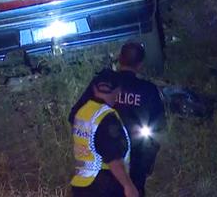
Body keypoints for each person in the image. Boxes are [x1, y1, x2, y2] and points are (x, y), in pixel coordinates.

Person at [69, 69, 139, 197]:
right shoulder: (106, 117)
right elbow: (113, 159)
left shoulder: (82, 111)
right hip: (105, 185)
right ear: (117, 91)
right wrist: (128, 186)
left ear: (94, 89)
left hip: (82, 184)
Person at [114, 42, 167, 196]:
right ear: (140, 64)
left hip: (104, 157)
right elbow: (158, 128)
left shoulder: (105, 84)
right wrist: (147, 163)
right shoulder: (148, 90)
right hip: (136, 159)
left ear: (119, 58)